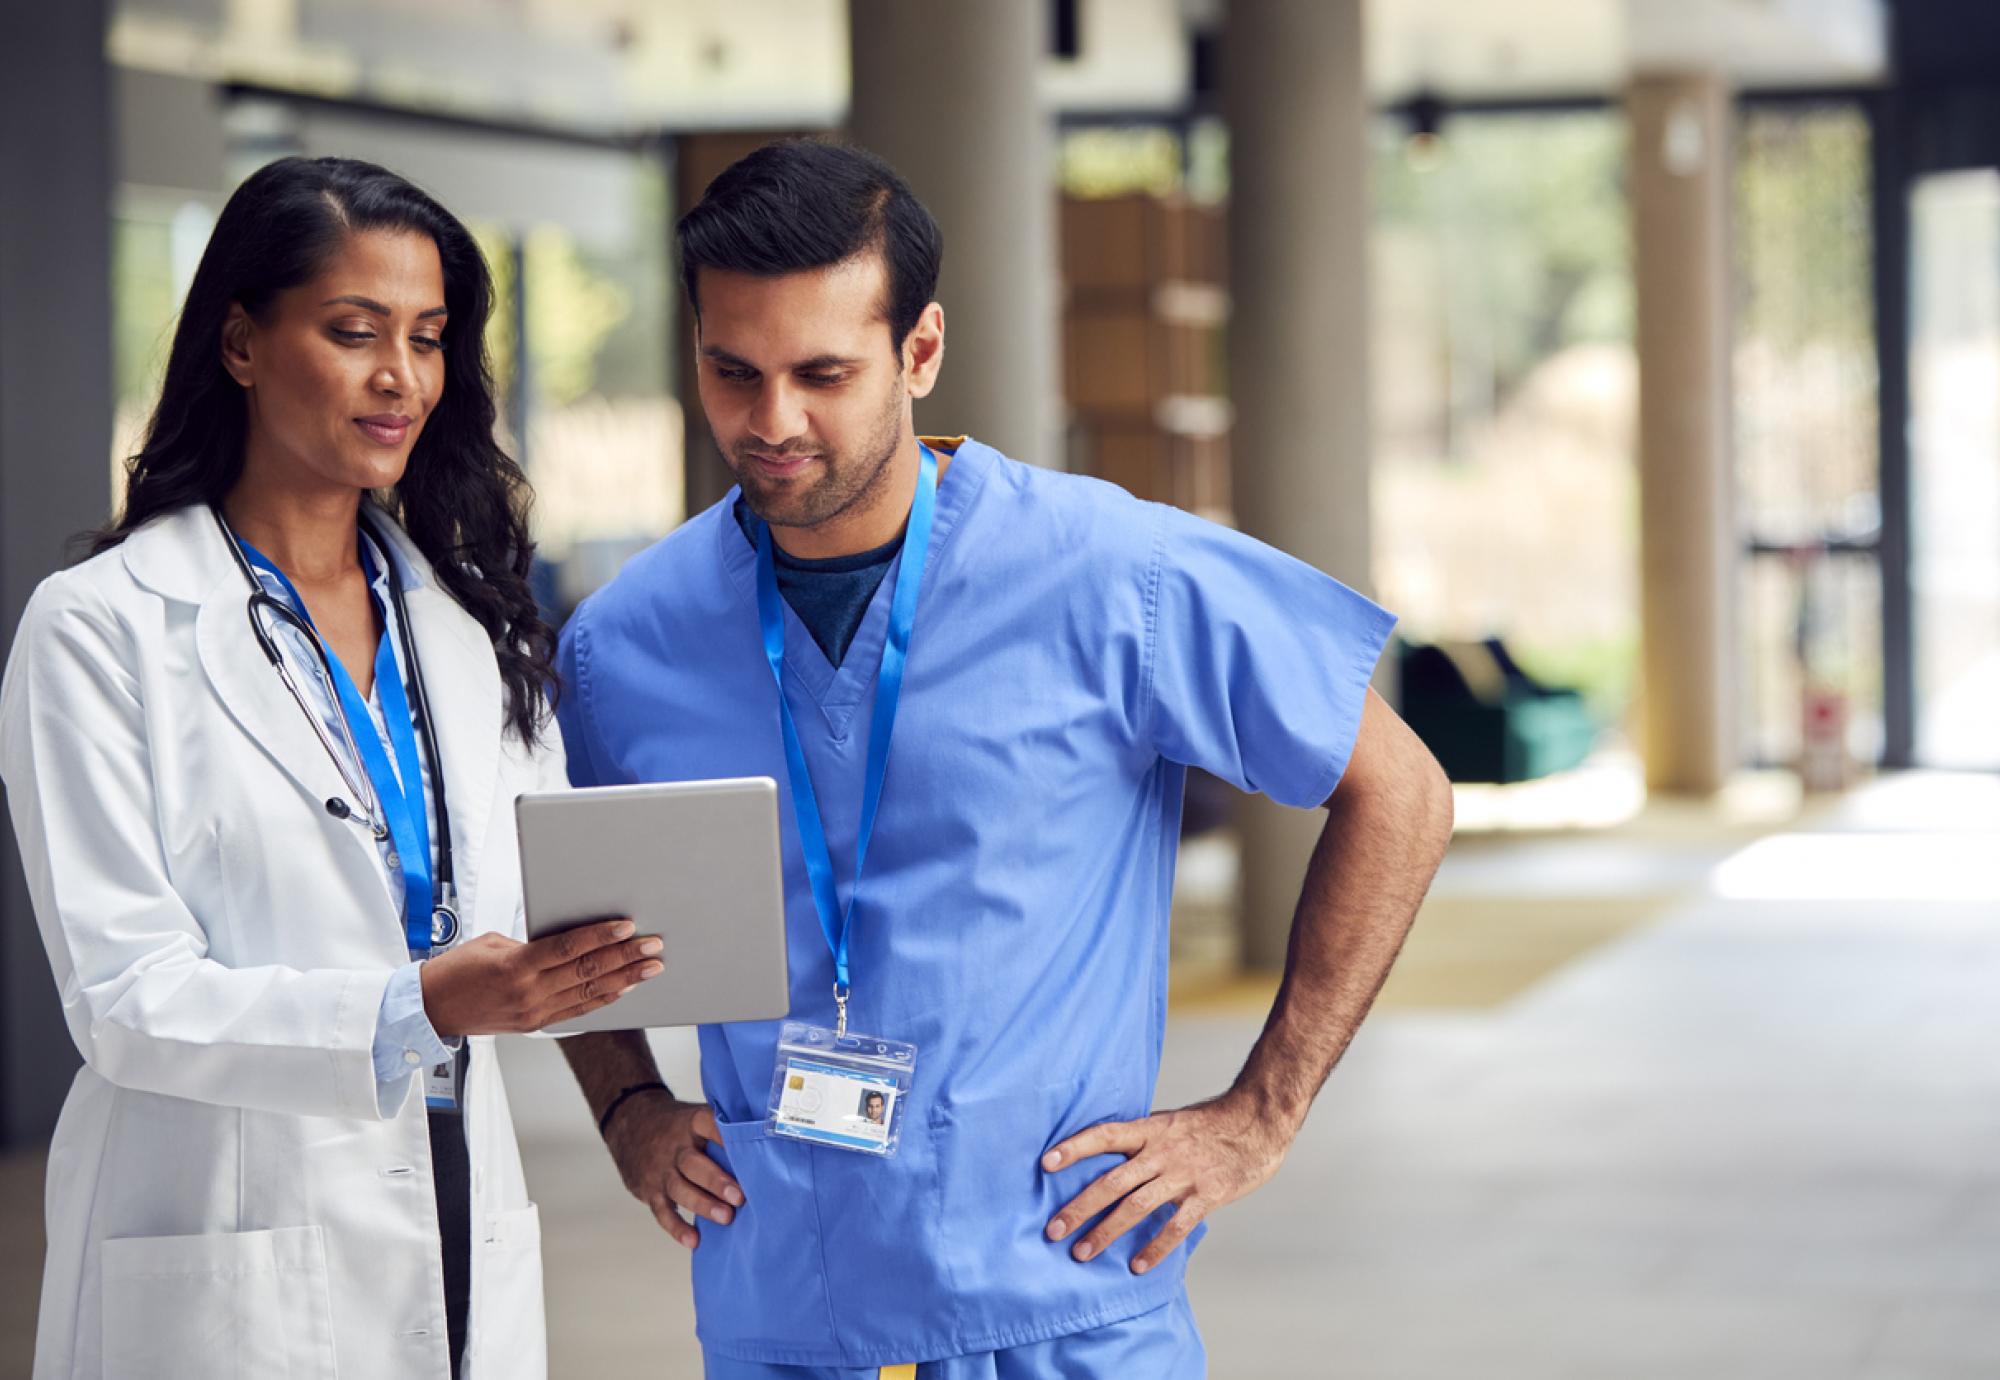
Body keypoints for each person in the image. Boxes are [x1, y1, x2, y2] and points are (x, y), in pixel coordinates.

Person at [555, 140, 1454, 1378]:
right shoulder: (625, 643)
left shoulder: (1112, 572)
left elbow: (1399, 792)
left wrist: (1261, 1113)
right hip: (782, 1302)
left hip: (1063, 1292)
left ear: (920, 351)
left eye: (823, 373)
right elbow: (566, 916)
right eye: (731, 372)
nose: (770, 423)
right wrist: (626, 1107)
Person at [0, 156, 661, 1380]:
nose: (401, 376)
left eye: (426, 337)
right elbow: (123, 997)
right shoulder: (104, 626)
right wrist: (419, 1005)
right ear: (241, 344)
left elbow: (532, 894)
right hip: (232, 1251)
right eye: (353, 332)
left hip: (460, 1205)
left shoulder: (462, 632)